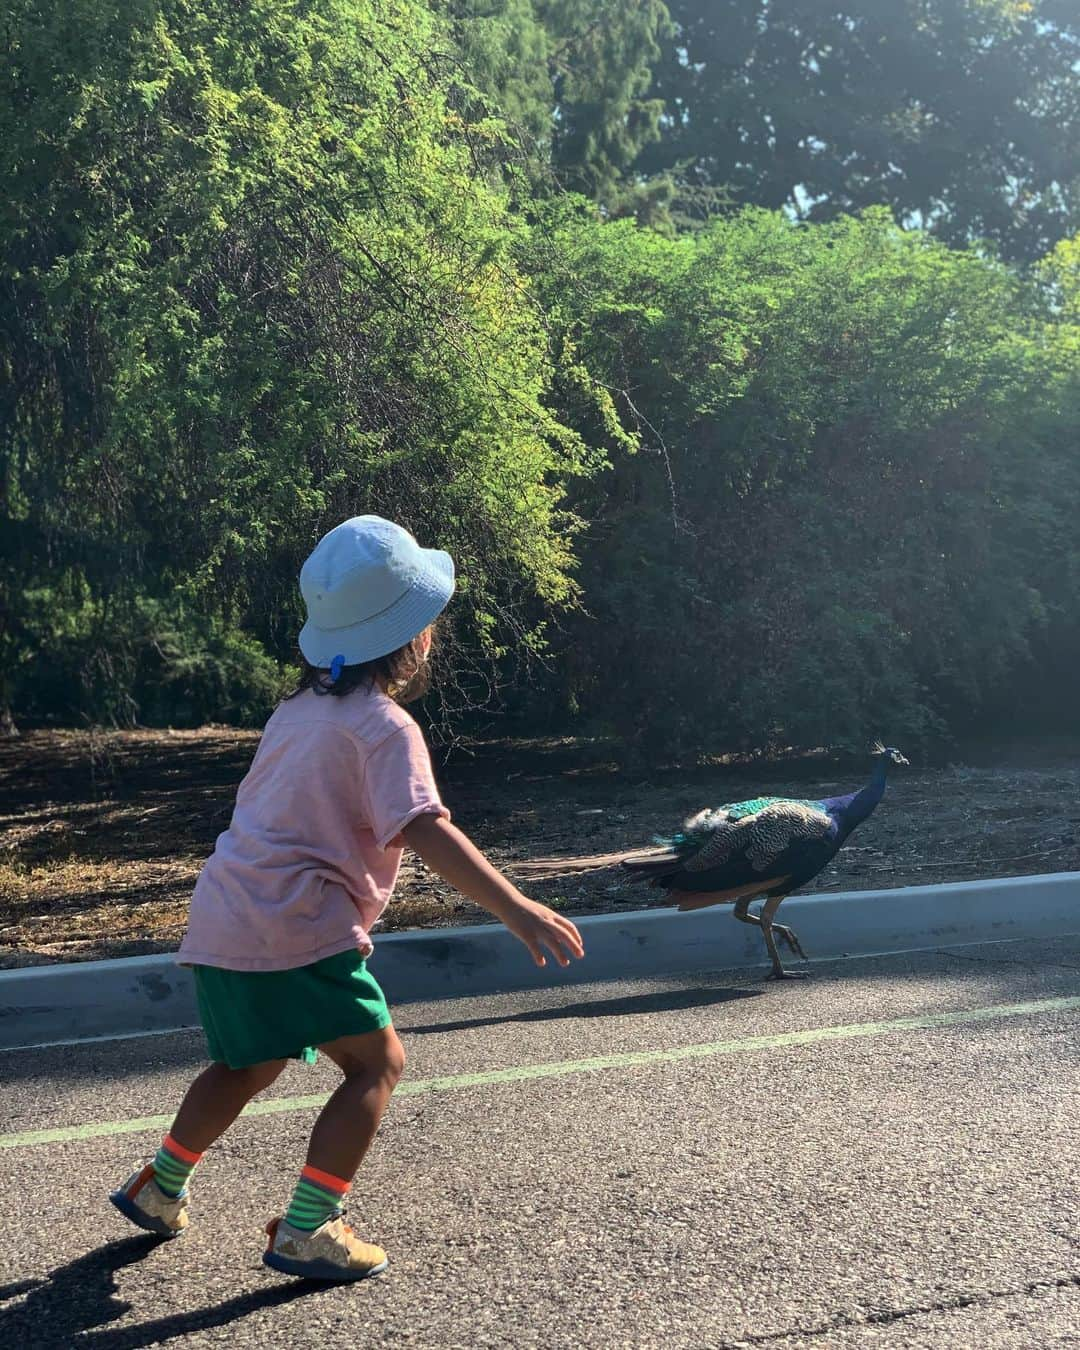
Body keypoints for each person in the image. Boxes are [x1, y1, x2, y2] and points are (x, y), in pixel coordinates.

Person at [108, 516, 585, 1282]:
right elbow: (423, 830)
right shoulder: (383, 728)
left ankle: (159, 1187)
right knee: (375, 1064)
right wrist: (516, 908)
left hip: (227, 912)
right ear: (416, 636)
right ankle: (307, 1229)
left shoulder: (293, 716)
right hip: (300, 921)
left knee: (247, 1063)